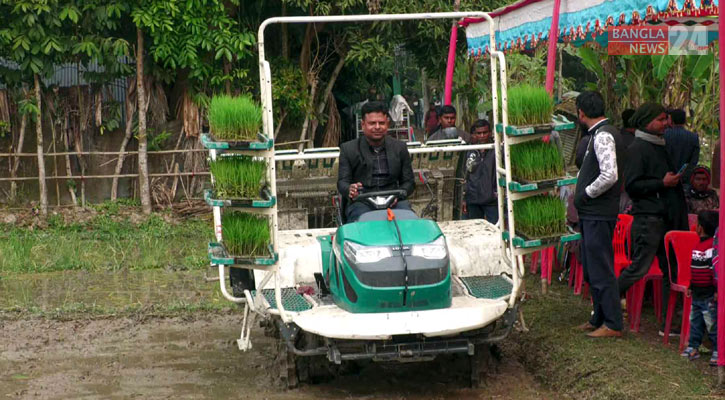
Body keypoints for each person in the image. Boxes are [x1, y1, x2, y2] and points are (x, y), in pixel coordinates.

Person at [619, 103, 689, 336]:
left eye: (666, 119)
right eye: (661, 119)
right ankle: (605, 305)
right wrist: (662, 183)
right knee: (639, 268)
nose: (666, 123)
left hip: (665, 217)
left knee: (672, 271)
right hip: (649, 219)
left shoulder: (660, 145)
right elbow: (632, 185)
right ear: (646, 121)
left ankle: (670, 324)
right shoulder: (638, 148)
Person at [572, 91, 625, 338]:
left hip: (599, 212)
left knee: (601, 266)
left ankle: (613, 323)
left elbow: (609, 175)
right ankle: (598, 317)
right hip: (594, 213)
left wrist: (586, 194)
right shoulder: (599, 134)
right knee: (593, 265)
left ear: (581, 112)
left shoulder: (603, 136)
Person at [337, 101, 415, 222]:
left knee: (410, 220)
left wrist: (400, 195)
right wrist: (350, 189)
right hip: (362, 201)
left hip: (394, 199)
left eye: (381, 123)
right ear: (363, 125)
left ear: (387, 124)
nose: (377, 127)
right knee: (361, 222)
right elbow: (342, 182)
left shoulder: (400, 147)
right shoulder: (348, 149)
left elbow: (409, 182)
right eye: (372, 123)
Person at [680, 210, 719, 366]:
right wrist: (691, 285)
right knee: (695, 321)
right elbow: (695, 268)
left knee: (712, 323)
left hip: (708, 294)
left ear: (700, 227)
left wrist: (716, 291)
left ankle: (718, 350)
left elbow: (713, 271)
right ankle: (693, 347)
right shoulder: (698, 244)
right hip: (697, 293)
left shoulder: (710, 247)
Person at [462, 120, 498, 224]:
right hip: (473, 199)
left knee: (495, 230)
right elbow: (465, 174)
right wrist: (464, 198)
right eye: (479, 133)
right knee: (476, 230)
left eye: (485, 132)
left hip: (492, 200)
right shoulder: (469, 150)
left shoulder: (496, 149)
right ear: (474, 134)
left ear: (490, 133)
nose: (482, 136)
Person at [665, 109, 700, 184]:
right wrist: (685, 176)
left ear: (671, 120)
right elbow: (694, 161)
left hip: (667, 178)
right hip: (685, 180)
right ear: (685, 121)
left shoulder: (664, 135)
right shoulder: (693, 137)